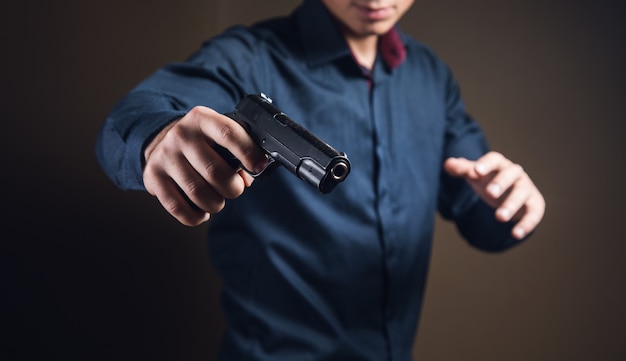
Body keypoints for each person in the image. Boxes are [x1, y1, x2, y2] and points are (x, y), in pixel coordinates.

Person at [95, 0, 546, 359]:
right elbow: (132, 119)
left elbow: (481, 215)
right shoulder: (249, 57)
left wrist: (513, 205)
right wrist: (156, 139)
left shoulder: (432, 77)